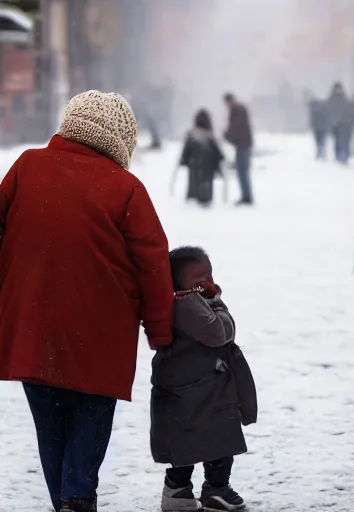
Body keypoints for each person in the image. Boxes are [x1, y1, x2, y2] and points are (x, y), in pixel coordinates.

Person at [0, 90, 174, 512]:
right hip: (100, 337)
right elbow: (153, 265)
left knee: (49, 426)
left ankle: (66, 501)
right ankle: (78, 500)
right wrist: (161, 333)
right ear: (120, 138)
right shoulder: (126, 189)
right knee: (90, 419)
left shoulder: (26, 167)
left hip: (31, 331)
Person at [151, 246, 257, 512]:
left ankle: (185, 490)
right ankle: (213, 488)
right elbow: (219, 333)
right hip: (198, 393)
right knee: (211, 440)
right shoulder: (185, 304)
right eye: (199, 279)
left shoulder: (188, 301)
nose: (208, 283)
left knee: (198, 441)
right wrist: (219, 303)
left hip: (200, 390)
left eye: (209, 275)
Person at [179, 109, 225, 206]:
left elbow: (186, 149)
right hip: (208, 165)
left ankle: (193, 196)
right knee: (206, 182)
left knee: (194, 181)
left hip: (194, 163)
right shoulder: (210, 135)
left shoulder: (192, 133)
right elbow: (217, 152)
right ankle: (205, 198)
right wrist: (218, 162)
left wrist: (184, 160)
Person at [223, 93, 254, 206]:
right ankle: (246, 195)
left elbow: (236, 128)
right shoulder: (240, 109)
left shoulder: (236, 111)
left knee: (242, 172)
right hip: (243, 144)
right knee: (243, 172)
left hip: (242, 145)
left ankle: (247, 197)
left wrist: (227, 136)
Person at [326, 83, 354, 164]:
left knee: (344, 141)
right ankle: (340, 156)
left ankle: (343, 156)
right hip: (338, 125)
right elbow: (327, 113)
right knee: (339, 141)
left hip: (344, 125)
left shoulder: (345, 102)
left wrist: (351, 123)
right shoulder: (333, 101)